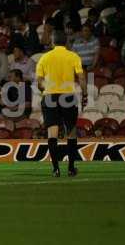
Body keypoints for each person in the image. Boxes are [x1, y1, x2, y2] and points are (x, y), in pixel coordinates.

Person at [36, 30, 87, 177]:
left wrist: (46, 89)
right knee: (71, 131)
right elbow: (81, 78)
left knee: (52, 133)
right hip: (68, 96)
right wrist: (84, 94)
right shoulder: (73, 56)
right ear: (66, 42)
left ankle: (55, 169)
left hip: (50, 96)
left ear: (52, 42)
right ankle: (71, 168)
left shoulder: (44, 58)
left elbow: (39, 82)